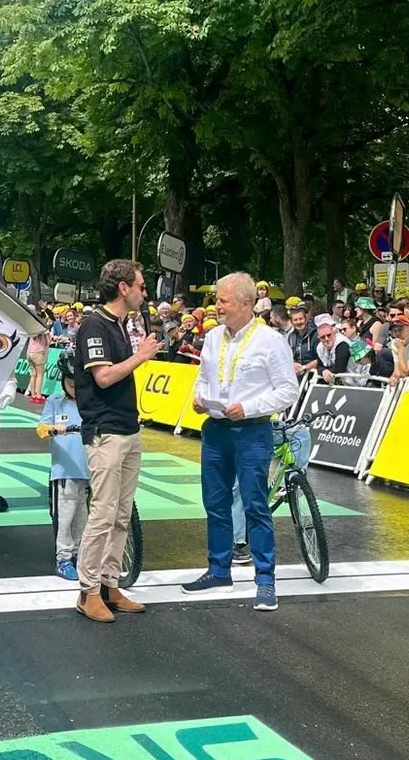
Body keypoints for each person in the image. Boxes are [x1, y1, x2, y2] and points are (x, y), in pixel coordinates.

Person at [185, 272, 299, 611]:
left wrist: (247, 407)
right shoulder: (213, 337)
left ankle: (265, 580)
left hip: (252, 430)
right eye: (218, 299)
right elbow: (204, 377)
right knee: (215, 502)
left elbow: (288, 390)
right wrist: (198, 397)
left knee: (254, 505)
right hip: (216, 429)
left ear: (246, 304)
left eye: (223, 300)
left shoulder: (270, 340)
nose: (216, 306)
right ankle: (218, 568)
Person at [73, 259, 161, 623]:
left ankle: (110, 584)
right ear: (123, 288)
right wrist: (141, 357)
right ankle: (87, 591)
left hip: (128, 428)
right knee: (103, 513)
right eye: (140, 285)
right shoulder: (95, 324)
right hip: (105, 430)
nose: (144, 292)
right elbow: (104, 377)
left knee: (121, 515)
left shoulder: (120, 325)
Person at [38, 350, 90, 581]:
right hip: (64, 472)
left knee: (83, 515)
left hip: (88, 471)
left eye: (79, 383)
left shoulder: (91, 404)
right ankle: (63, 558)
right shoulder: (55, 402)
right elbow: (41, 428)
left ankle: (80, 553)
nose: (75, 388)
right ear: (64, 381)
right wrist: (53, 429)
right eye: (71, 383)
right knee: (65, 516)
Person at [314, 314, 350, 384]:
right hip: (337, 382)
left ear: (333, 333)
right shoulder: (320, 347)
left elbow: (339, 369)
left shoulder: (342, 343)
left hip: (353, 382)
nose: (326, 339)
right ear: (319, 338)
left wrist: (324, 370)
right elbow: (319, 366)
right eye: (323, 337)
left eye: (329, 335)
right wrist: (323, 371)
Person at [26, 327, 51, 403]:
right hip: (39, 353)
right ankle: (39, 396)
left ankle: (33, 394)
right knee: (40, 375)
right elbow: (48, 342)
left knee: (33, 374)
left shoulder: (32, 327)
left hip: (29, 352)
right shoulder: (44, 329)